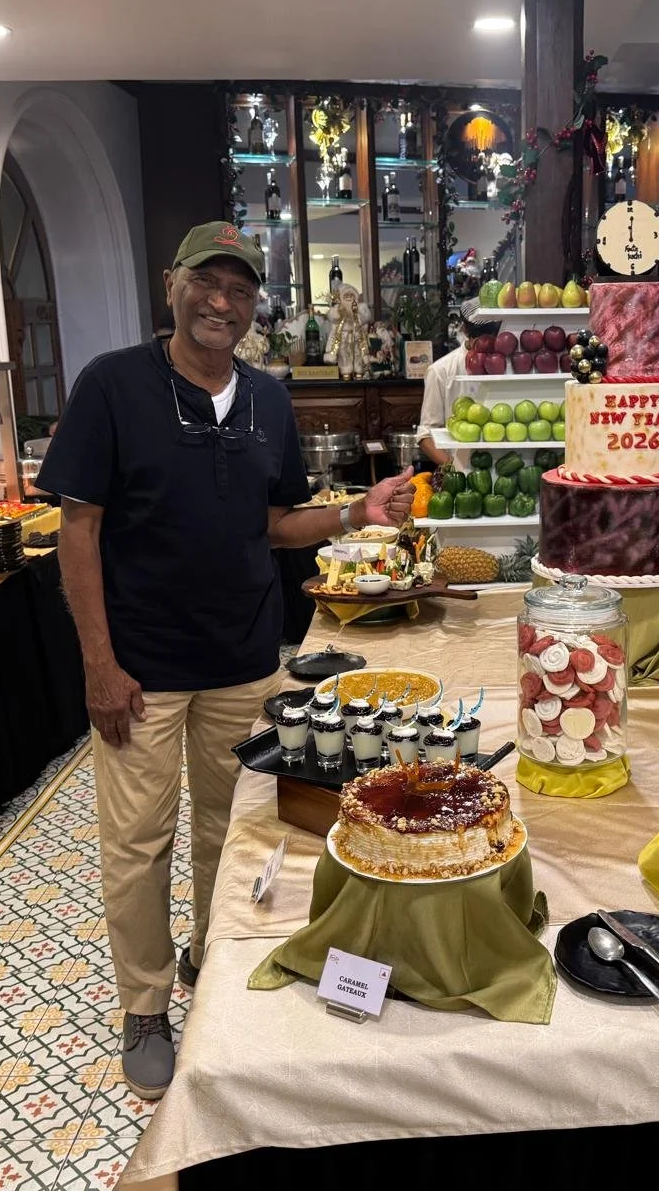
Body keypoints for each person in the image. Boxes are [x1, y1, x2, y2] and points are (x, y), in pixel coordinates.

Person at [36, 222, 417, 1100]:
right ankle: (143, 1003)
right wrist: (99, 662)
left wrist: (356, 513)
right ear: (172, 285)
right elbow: (78, 528)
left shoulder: (268, 402)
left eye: (240, 290)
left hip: (243, 660)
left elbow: (276, 525)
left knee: (231, 829)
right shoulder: (113, 386)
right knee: (137, 843)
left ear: (255, 306)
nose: (222, 302)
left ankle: (209, 965)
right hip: (141, 668)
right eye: (207, 283)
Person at [416, 316, 500, 468]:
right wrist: (456, 469)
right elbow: (426, 436)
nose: (487, 345)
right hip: (461, 472)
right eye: (481, 337)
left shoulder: (508, 367)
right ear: (466, 331)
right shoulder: (441, 371)